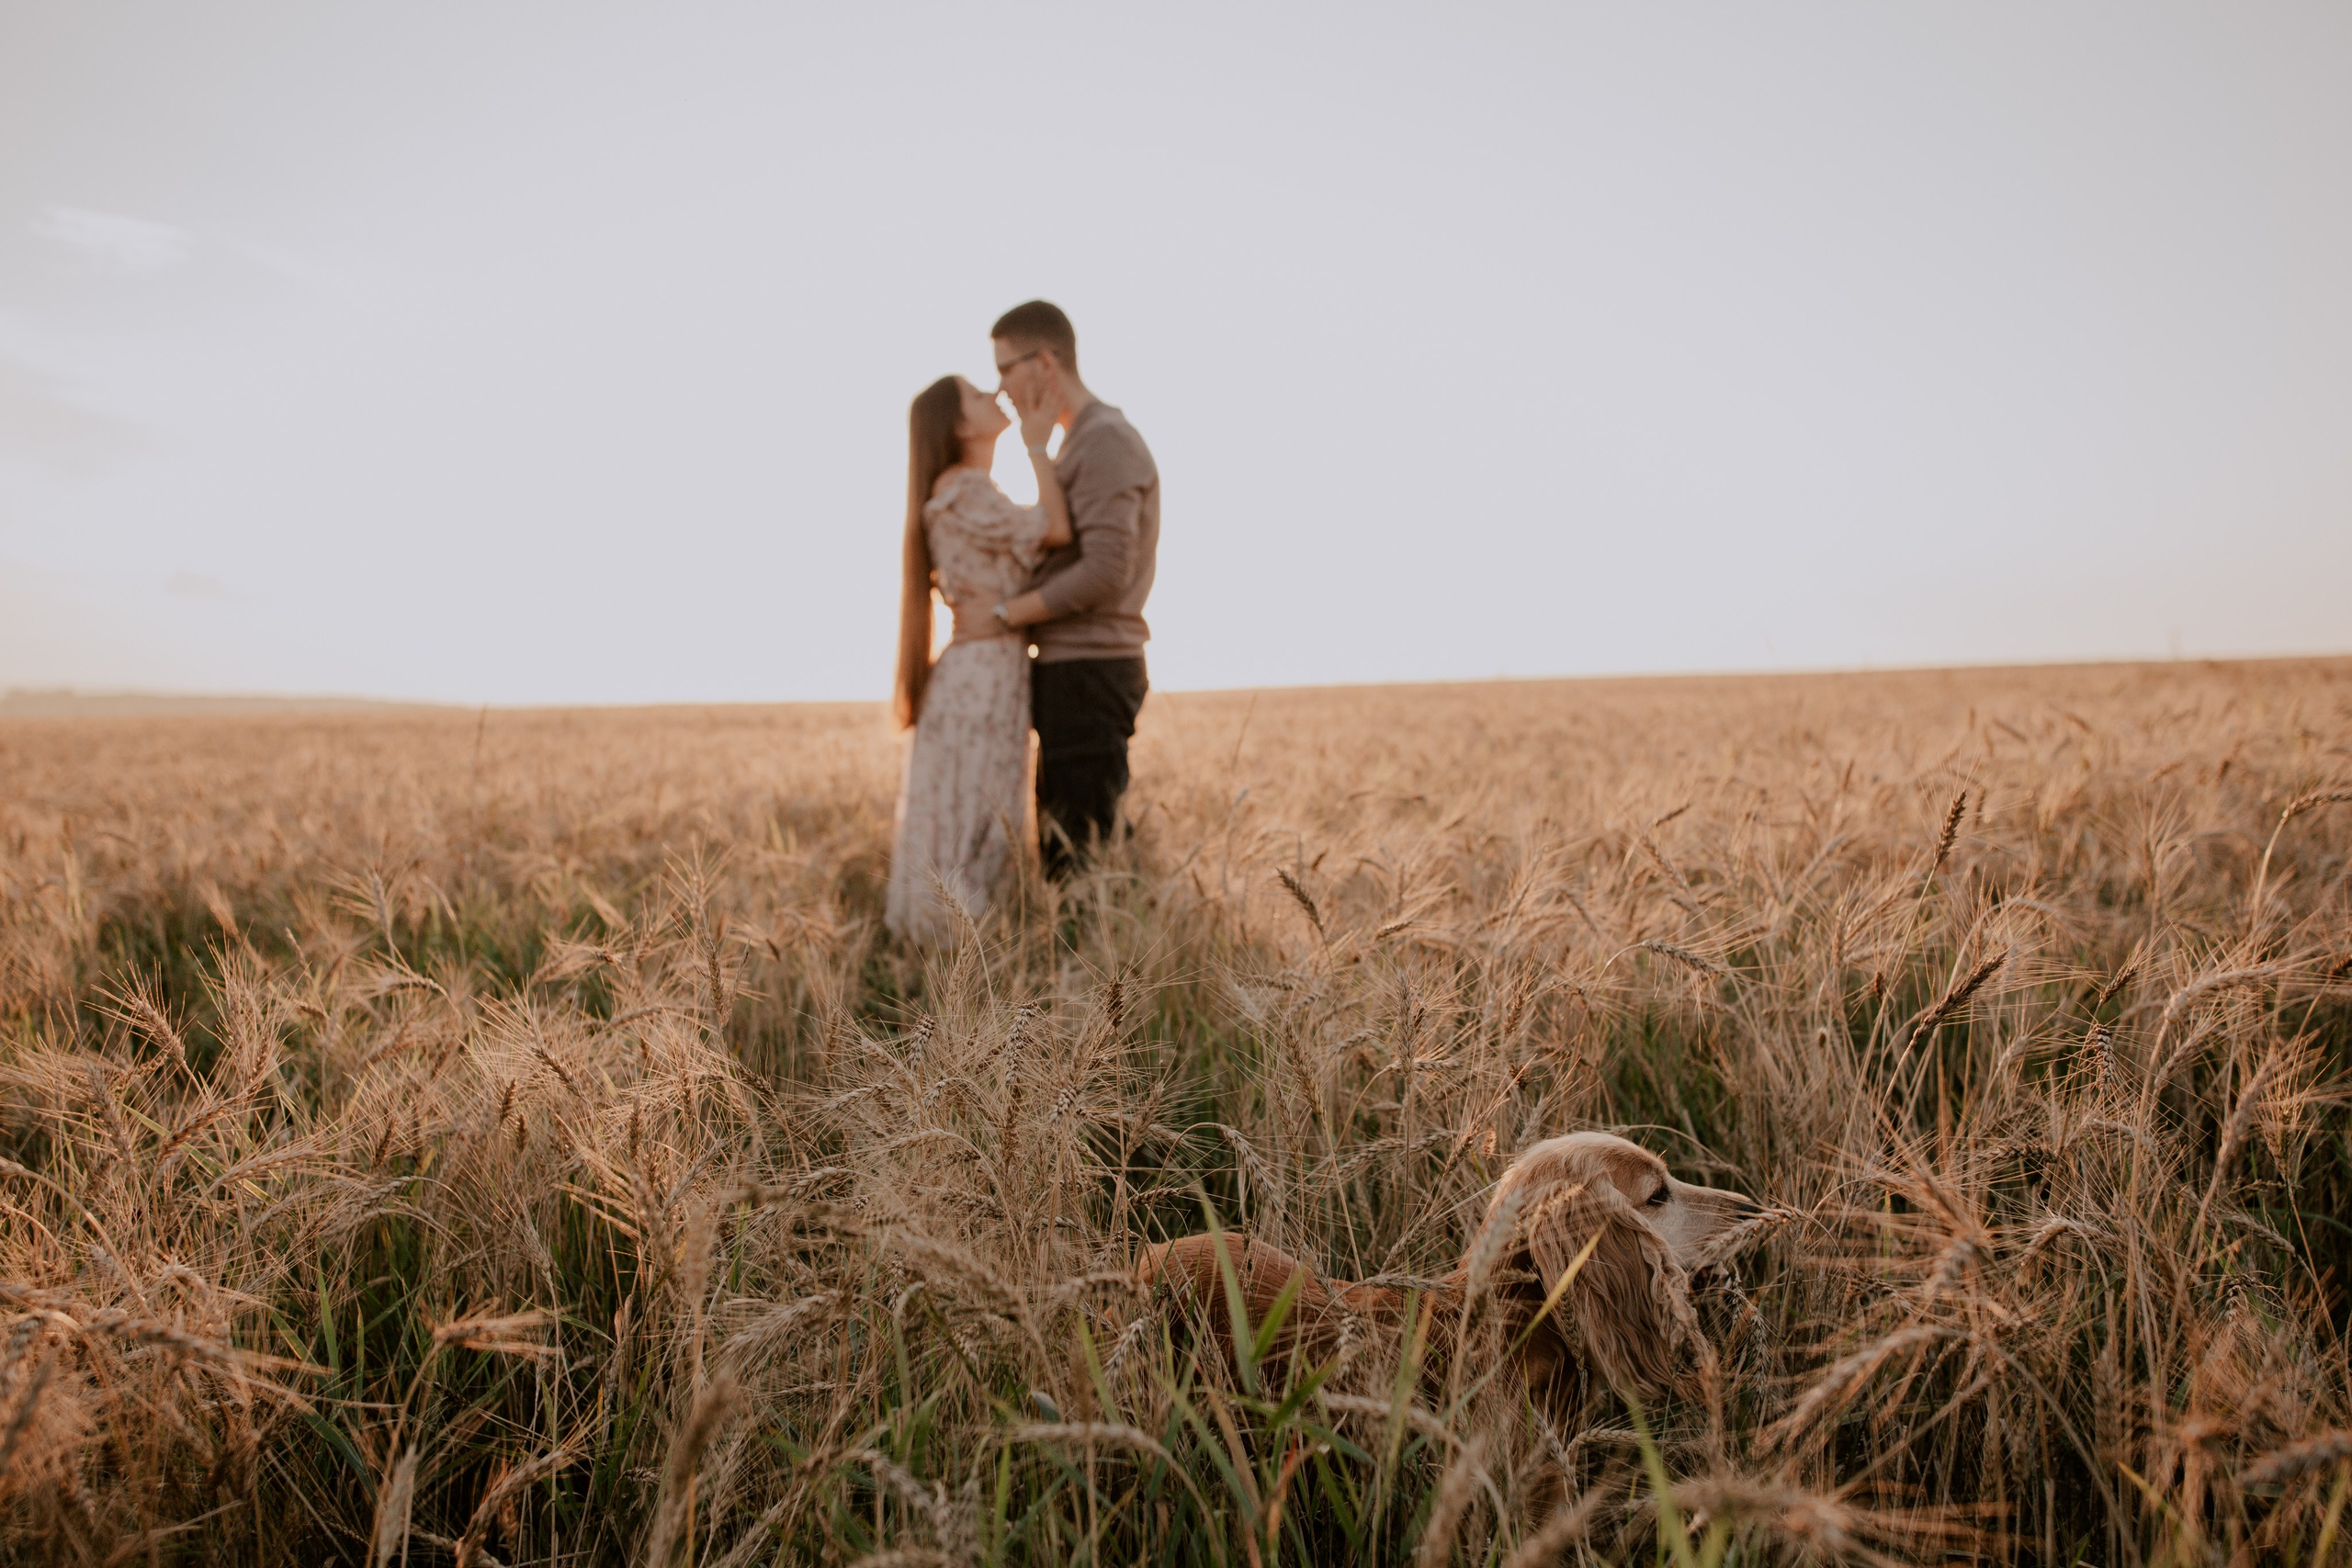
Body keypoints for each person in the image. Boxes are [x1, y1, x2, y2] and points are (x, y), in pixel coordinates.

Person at [885, 374, 1071, 942]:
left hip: (988, 667)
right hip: (982, 672)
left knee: (973, 807)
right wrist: (1037, 444)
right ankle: (956, 949)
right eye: (976, 394)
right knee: (975, 810)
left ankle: (958, 948)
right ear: (961, 425)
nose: (993, 394)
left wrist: (1006, 610)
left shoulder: (972, 491)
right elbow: (1057, 528)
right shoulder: (964, 490)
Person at [983, 301, 1160, 878]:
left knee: (1080, 860)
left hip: (1091, 667)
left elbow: (1106, 570)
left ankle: (1106, 940)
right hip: (1075, 667)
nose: (1001, 388)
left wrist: (1005, 614)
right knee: (1077, 851)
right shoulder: (1079, 440)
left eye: (1006, 369)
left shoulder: (1105, 440)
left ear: (1045, 363)